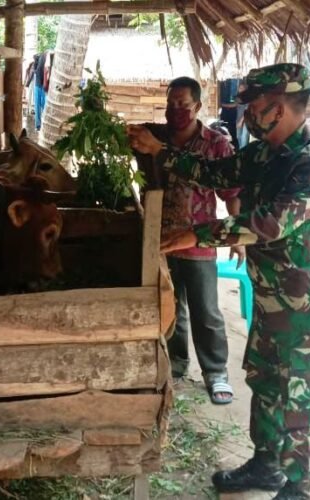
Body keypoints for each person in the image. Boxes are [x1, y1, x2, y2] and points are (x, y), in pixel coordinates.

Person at [128, 63, 310, 500]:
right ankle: (266, 465)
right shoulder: (264, 154)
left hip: (306, 308)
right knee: (265, 383)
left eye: (253, 106)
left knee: (302, 399)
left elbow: (270, 223)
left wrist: (199, 234)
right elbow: (216, 173)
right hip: (271, 299)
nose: (246, 115)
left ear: (278, 108)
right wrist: (161, 152)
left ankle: (299, 488)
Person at [135, 76, 241, 405]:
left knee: (206, 310)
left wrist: (237, 235)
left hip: (199, 242)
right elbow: (121, 134)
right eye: (170, 104)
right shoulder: (154, 136)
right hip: (160, 240)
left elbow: (231, 192)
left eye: (182, 104)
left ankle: (215, 371)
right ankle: (177, 364)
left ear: (197, 106)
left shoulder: (215, 144)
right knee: (171, 307)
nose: (175, 110)